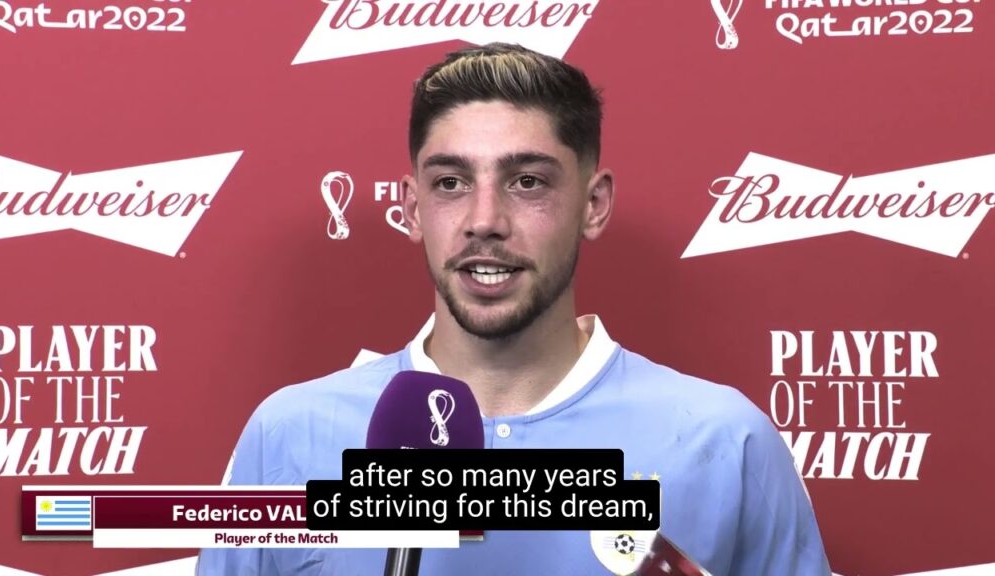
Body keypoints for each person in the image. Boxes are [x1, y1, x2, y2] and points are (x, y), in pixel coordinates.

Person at [197, 43, 831, 576]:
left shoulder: (725, 440)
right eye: (451, 182)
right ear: (413, 210)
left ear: (594, 204)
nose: (484, 220)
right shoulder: (289, 436)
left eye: (527, 181)